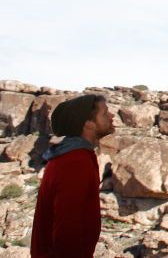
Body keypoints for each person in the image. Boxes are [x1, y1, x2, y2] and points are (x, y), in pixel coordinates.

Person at [31, 94, 115, 258]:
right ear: (88, 124)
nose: (112, 116)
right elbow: (67, 230)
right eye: (105, 113)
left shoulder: (72, 156)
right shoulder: (75, 162)